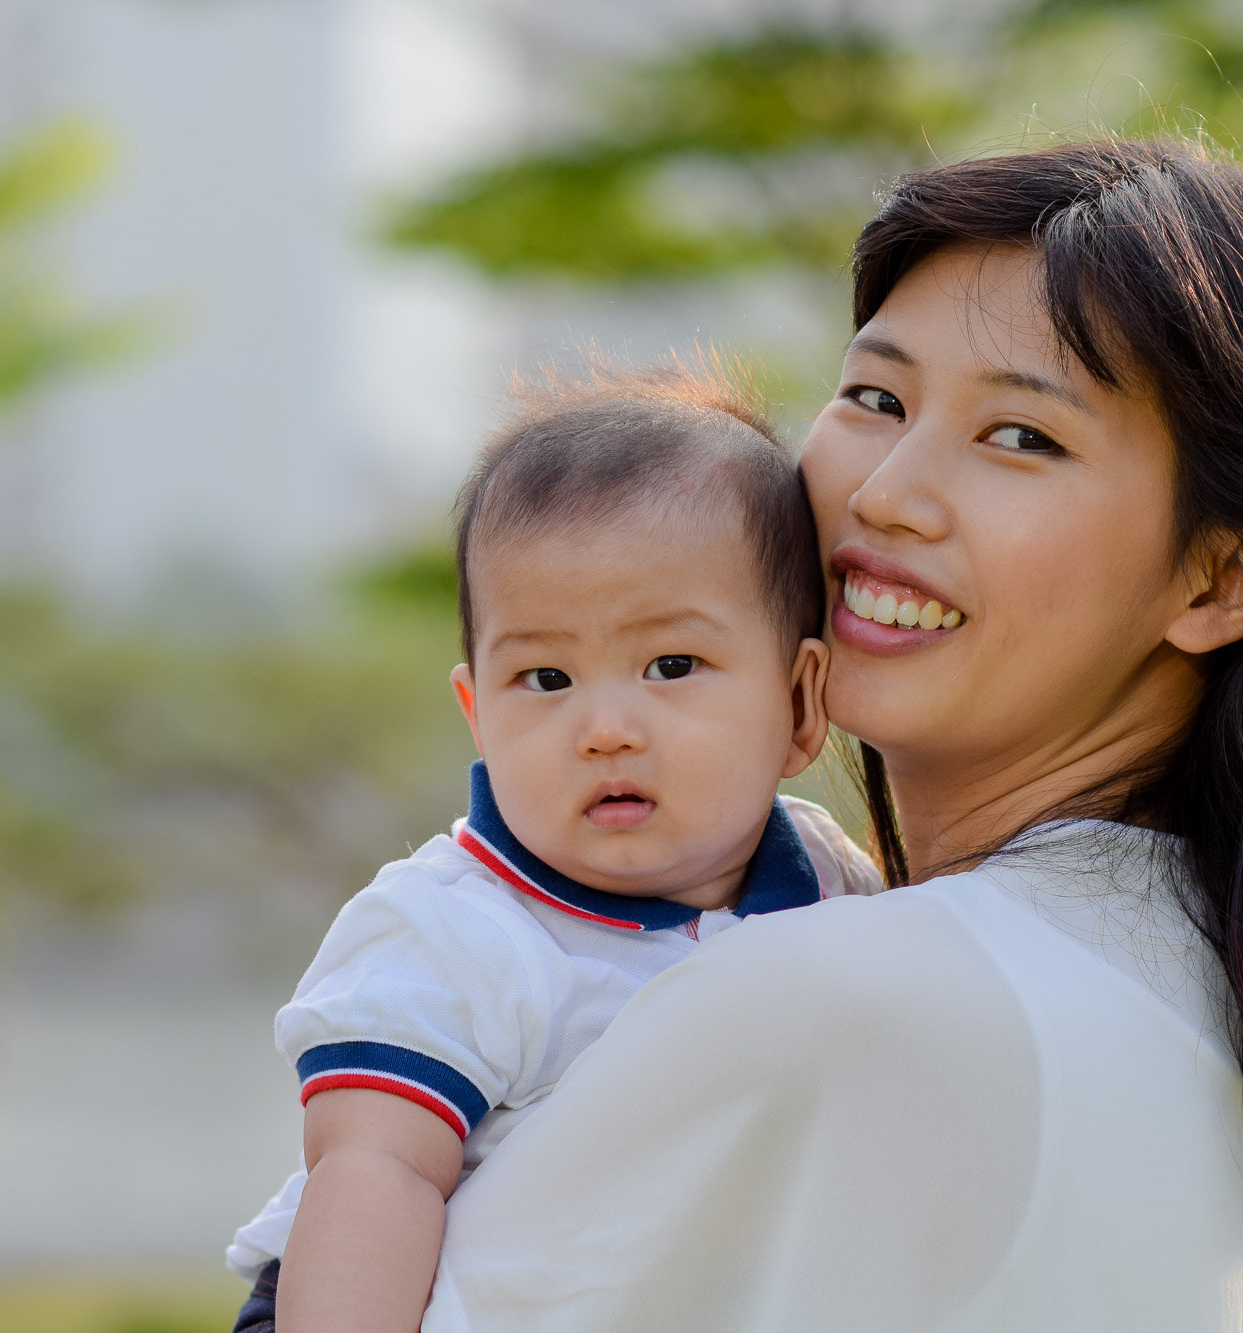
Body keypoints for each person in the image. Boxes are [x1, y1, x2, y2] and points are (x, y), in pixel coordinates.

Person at [416, 137, 1243, 1332]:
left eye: (1021, 438)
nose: (884, 488)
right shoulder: (1206, 995)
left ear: (1216, 579)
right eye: (874, 398)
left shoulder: (854, 997)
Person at [224, 367, 883, 1333]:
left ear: (798, 702)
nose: (605, 726)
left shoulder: (830, 882)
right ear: (477, 714)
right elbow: (375, 1170)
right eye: (544, 676)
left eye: (671, 665)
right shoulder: (453, 932)